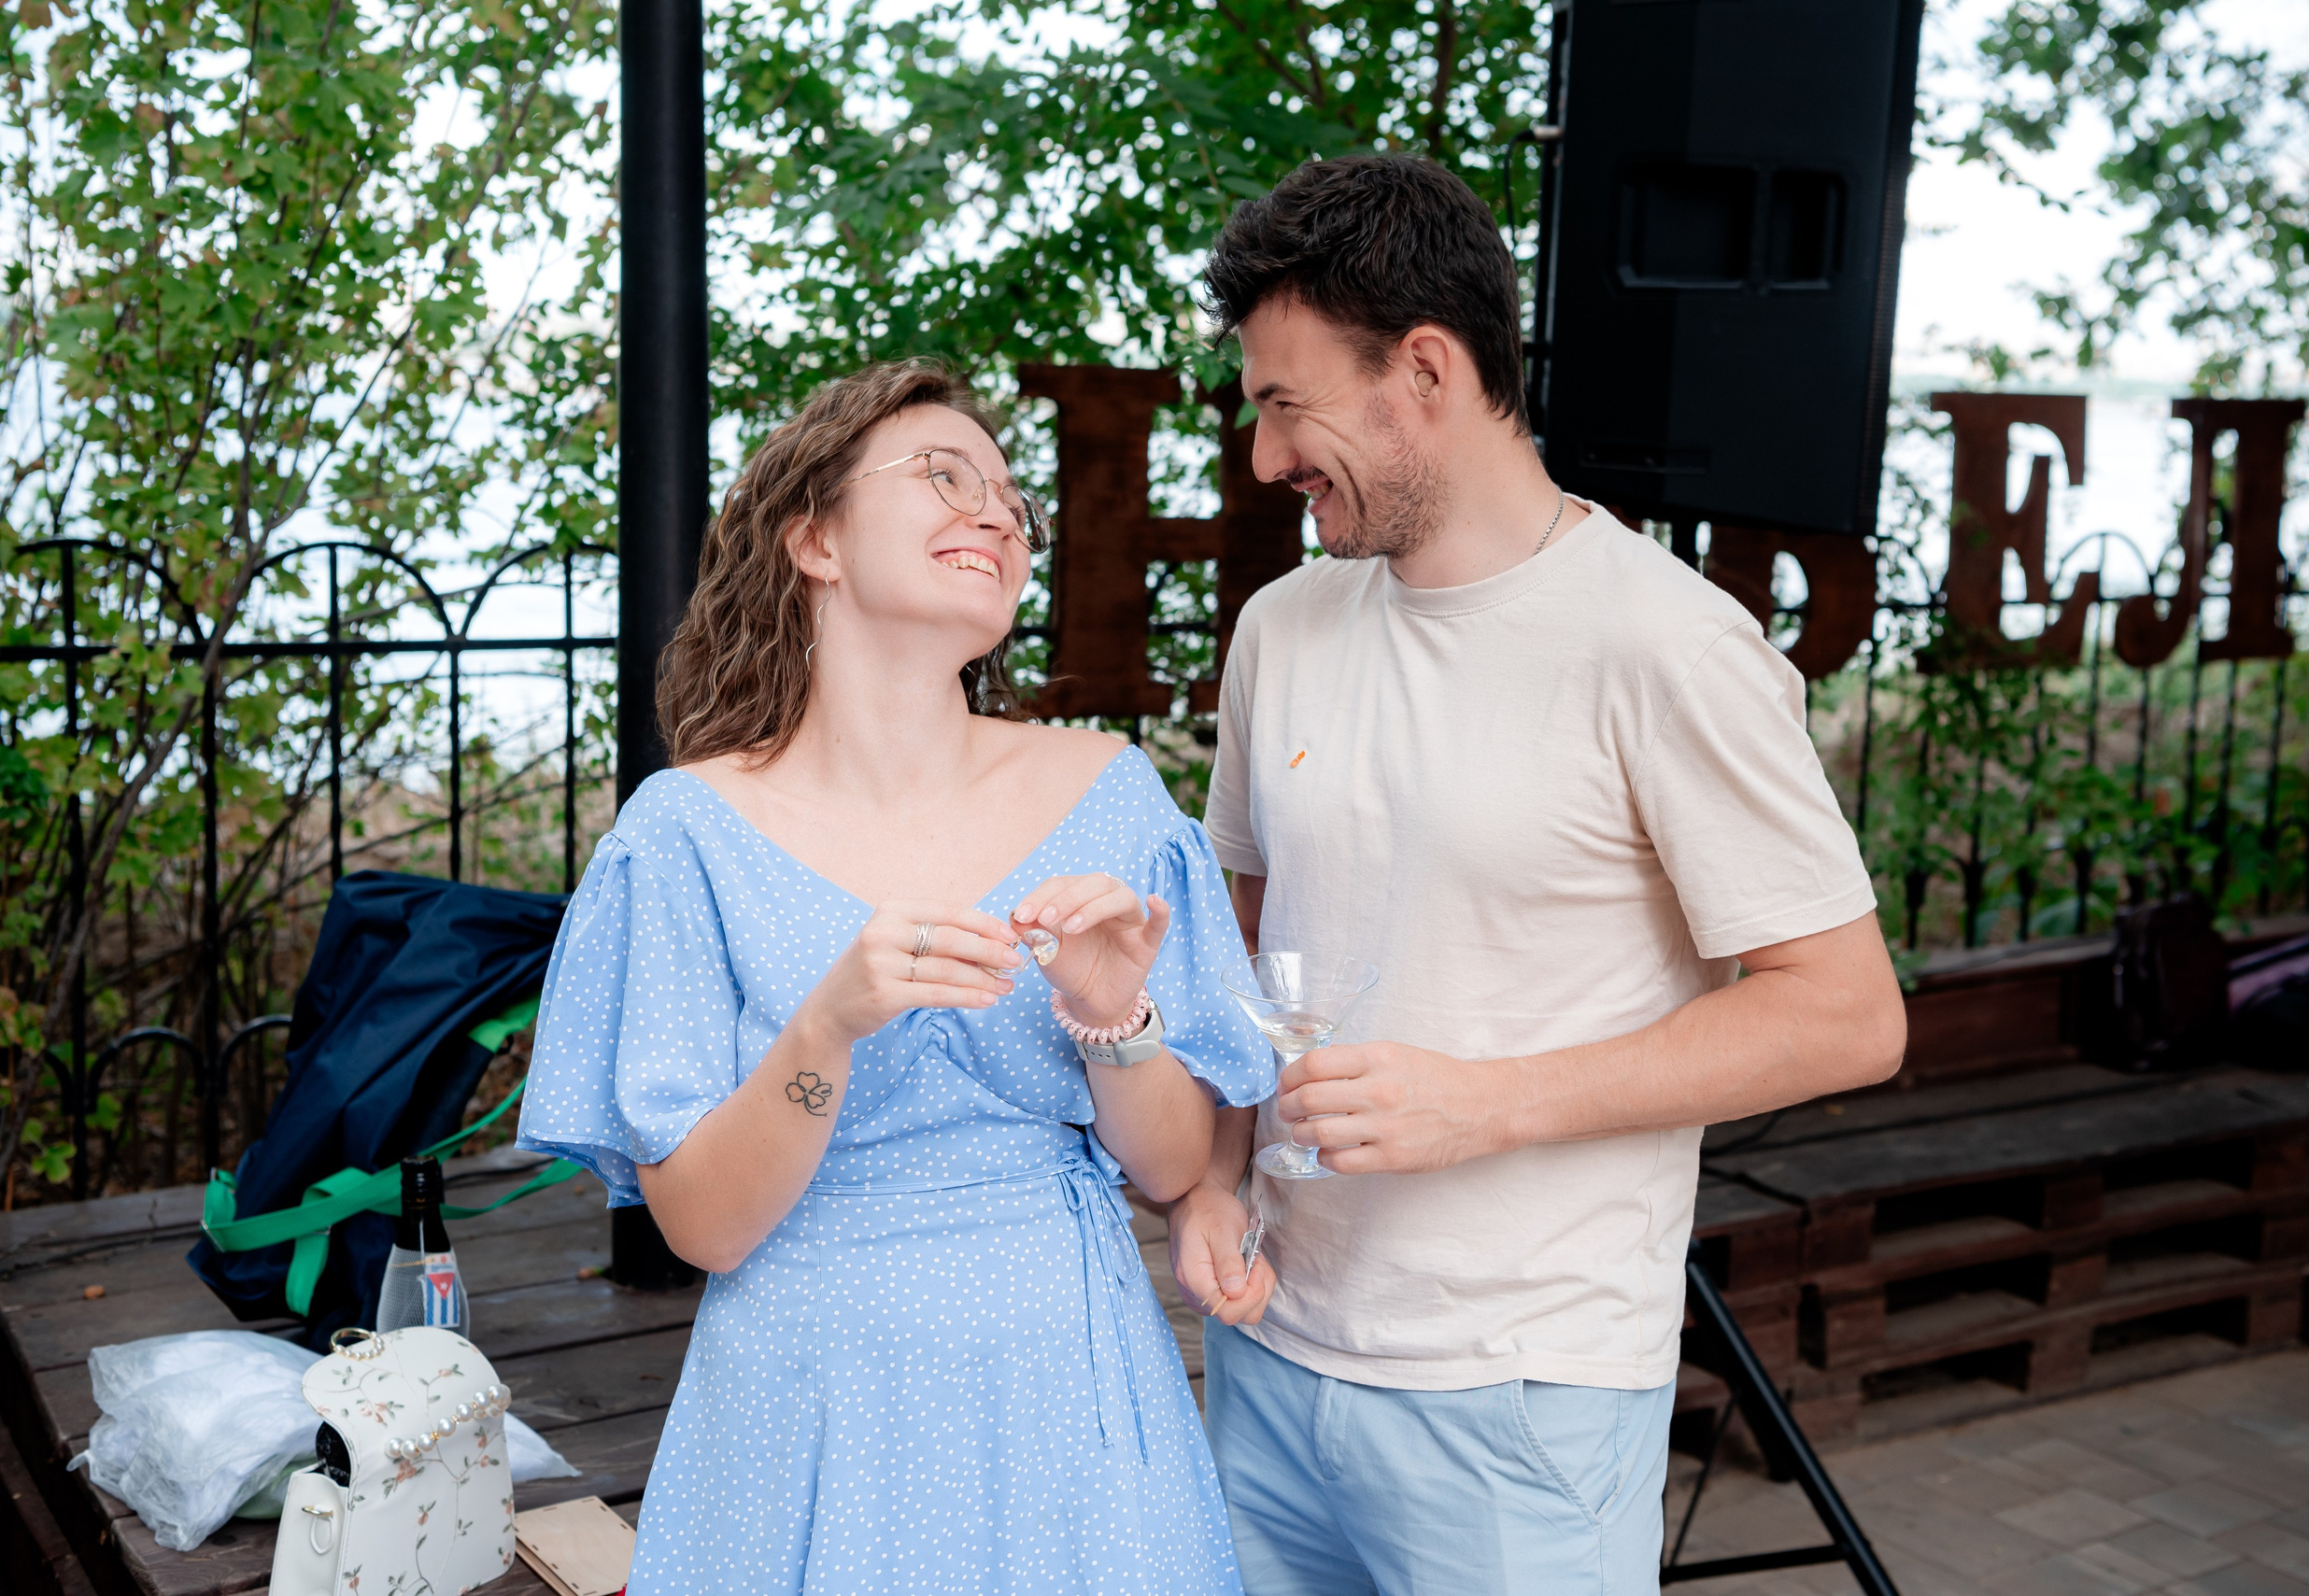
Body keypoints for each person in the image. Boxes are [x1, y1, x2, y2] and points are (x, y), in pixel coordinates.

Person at [1168, 155, 1908, 1595]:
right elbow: (1240, 940)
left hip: (1521, 1396)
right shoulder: (1284, 627)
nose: (1264, 458)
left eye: (1284, 405)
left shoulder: (1669, 645)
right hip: (1265, 1350)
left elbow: (1847, 1013)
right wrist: (1205, 1180)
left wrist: (1489, 1101)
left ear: (1425, 373)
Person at [517, 360, 1275, 1594]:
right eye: (943, 474)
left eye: (1010, 500)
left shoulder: (1106, 789)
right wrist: (826, 1026)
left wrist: (1110, 1017)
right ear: (811, 535)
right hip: (806, 1411)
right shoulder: (682, 835)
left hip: (1066, 1409)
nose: (995, 511)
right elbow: (703, 1225)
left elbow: (1176, 1165)